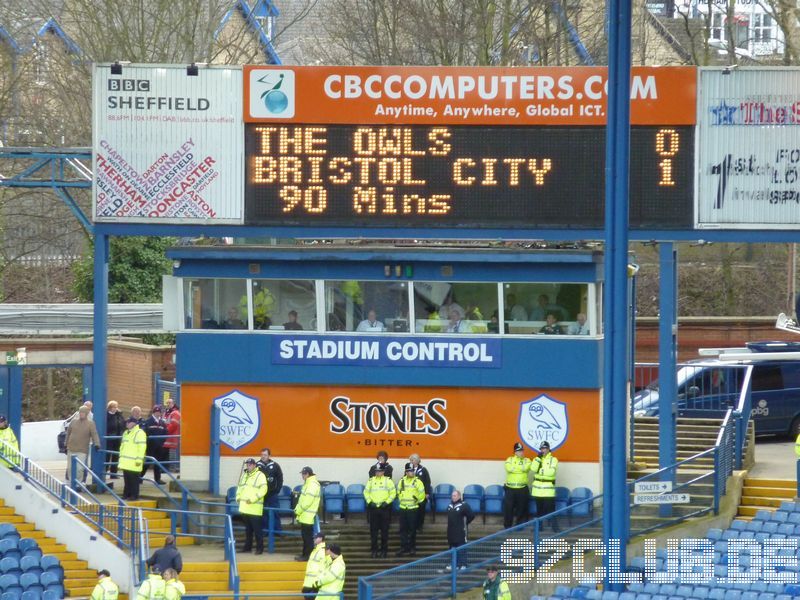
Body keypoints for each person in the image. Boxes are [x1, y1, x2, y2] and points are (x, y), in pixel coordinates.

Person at [364, 464, 396, 558]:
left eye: (380, 471)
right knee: (373, 531)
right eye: (377, 471)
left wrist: (387, 502)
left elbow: (393, 493)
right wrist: (370, 502)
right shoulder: (371, 481)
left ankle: (384, 550)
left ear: (383, 472)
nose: (378, 473)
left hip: (384, 509)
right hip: (373, 509)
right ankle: (374, 550)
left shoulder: (388, 481)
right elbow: (366, 492)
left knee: (384, 531)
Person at [236, 457, 268, 554]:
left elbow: (263, 490)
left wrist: (253, 499)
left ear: (254, 465)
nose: (248, 466)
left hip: (254, 508)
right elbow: (240, 487)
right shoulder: (245, 475)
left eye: (250, 464)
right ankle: (247, 547)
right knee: (248, 530)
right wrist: (238, 497)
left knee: (257, 530)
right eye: (247, 464)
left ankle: (260, 548)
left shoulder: (260, 475)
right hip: (245, 507)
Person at [396, 462, 426, 556]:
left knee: (412, 529)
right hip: (403, 508)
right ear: (406, 472)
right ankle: (404, 547)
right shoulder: (402, 481)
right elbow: (398, 492)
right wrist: (401, 499)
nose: (411, 473)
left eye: (412, 471)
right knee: (403, 529)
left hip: (413, 508)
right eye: (409, 471)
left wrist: (416, 500)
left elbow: (422, 495)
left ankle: (412, 548)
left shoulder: (418, 482)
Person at [65, 405, 100, 483]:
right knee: (70, 467)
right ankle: (71, 482)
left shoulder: (91, 423)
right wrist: (65, 444)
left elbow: (94, 434)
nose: (81, 414)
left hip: (82, 449)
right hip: (71, 448)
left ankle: (79, 483)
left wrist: (97, 444)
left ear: (87, 413)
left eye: (83, 412)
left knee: (80, 468)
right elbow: (68, 433)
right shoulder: (73, 421)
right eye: (80, 412)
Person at [531, 441, 559, 530]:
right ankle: (539, 527)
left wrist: (541, 471)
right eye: (542, 448)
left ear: (548, 449)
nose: (543, 450)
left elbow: (551, 472)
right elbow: (533, 469)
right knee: (539, 511)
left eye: (545, 448)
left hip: (548, 490)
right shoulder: (537, 459)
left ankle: (555, 527)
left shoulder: (553, 459)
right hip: (538, 490)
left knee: (551, 510)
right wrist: (538, 459)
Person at [294, 466, 321, 560]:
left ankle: (307, 556)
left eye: (303, 474)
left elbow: (307, 501)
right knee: (305, 537)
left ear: (307, 474)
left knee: (307, 538)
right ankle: (304, 555)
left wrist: (298, 510)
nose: (302, 475)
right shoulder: (309, 483)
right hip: (305, 515)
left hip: (307, 515)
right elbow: (303, 500)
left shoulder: (312, 484)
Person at [257, 447, 284, 535]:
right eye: (262, 455)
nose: (263, 456)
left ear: (269, 455)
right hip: (261, 495)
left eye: (265, 455)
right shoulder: (257, 465)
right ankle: (265, 531)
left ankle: (277, 531)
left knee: (275, 512)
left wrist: (277, 490)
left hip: (272, 494)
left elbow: (280, 478)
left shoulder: (275, 465)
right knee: (263, 513)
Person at [503, 442, 531, 528]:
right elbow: (509, 469)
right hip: (510, 489)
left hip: (522, 488)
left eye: (522, 451)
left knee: (521, 509)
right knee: (508, 509)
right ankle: (507, 527)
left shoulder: (527, 460)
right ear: (515, 452)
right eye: (519, 451)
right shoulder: (509, 459)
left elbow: (526, 468)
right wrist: (521, 469)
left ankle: (519, 526)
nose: (521, 452)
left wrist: (515, 468)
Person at [119, 416, 147, 501]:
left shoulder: (139, 433)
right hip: (126, 462)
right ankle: (126, 494)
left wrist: (139, 459)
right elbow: (122, 447)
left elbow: (142, 447)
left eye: (128, 422)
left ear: (133, 423)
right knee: (127, 480)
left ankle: (134, 495)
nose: (126, 424)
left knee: (134, 480)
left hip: (134, 462)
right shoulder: (126, 432)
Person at [446, 490, 474, 570]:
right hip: (451, 532)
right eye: (452, 496)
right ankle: (453, 564)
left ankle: (463, 564)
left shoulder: (464, 505)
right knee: (452, 548)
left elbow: (471, 515)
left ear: (459, 496)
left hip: (461, 531)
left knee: (461, 548)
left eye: (454, 496)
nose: (453, 497)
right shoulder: (449, 506)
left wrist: (465, 523)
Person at [143, 405, 168, 484]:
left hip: (159, 445)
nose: (158, 413)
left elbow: (165, 432)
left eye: (159, 412)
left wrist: (162, 441)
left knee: (158, 462)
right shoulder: (148, 421)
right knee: (148, 461)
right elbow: (145, 433)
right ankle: (140, 476)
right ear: (153, 412)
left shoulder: (162, 422)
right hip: (151, 445)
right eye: (156, 412)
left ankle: (157, 479)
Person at [408, 453, 431, 532]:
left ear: (418, 460)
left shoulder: (423, 470)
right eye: (410, 460)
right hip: (411, 495)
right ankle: (412, 526)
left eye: (413, 460)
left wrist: (427, 493)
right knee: (412, 511)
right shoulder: (408, 470)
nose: (411, 461)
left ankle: (420, 526)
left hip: (421, 495)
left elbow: (427, 482)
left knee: (421, 511)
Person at [301, 531, 329, 596]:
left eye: (316, 538)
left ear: (321, 539)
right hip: (310, 582)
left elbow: (323, 568)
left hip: (314, 582)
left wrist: (318, 583)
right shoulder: (316, 549)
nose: (314, 539)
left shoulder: (322, 551)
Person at [105, 401, 126, 479]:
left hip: (117, 438)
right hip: (109, 438)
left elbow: (123, 424)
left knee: (116, 456)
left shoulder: (119, 416)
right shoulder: (106, 415)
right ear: (110, 407)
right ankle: (105, 471)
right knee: (107, 455)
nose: (115, 408)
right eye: (114, 407)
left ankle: (113, 473)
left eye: (116, 407)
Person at [163, 398, 181, 472]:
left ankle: (172, 468)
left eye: (169, 403)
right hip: (167, 437)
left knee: (171, 453)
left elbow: (174, 425)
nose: (167, 404)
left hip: (171, 436)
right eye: (167, 403)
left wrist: (165, 431)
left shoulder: (175, 413)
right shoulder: (166, 413)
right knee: (165, 453)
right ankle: (165, 468)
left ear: (173, 404)